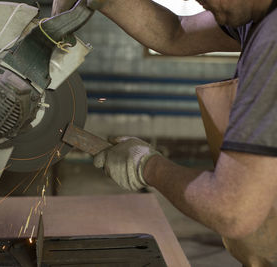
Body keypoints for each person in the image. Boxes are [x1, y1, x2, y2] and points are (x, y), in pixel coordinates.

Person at [52, 0, 277, 266]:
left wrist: (146, 165)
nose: (197, 1)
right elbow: (176, 33)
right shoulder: (255, 18)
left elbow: (233, 211)